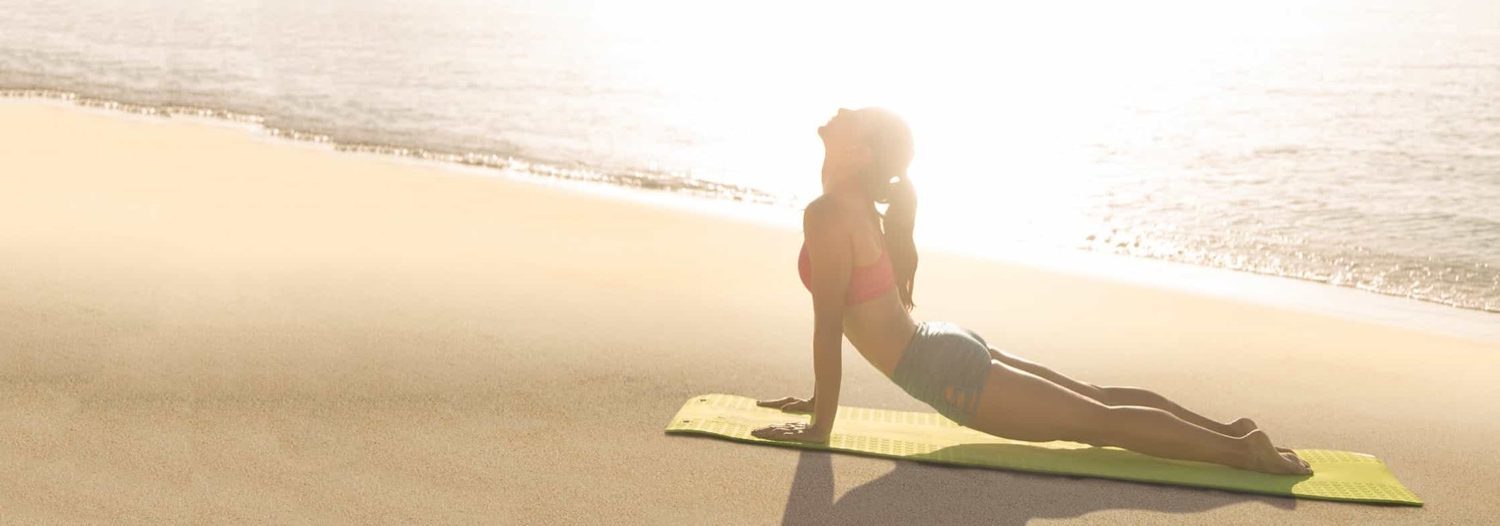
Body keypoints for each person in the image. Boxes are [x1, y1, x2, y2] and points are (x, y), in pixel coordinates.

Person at [749, 107, 1312, 476]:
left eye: (858, 116)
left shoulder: (828, 212)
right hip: (942, 344)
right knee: (1099, 400)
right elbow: (859, 313)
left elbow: (831, 324)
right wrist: (820, 398)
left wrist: (821, 426)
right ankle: (1231, 430)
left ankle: (1242, 451)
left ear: (861, 153)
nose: (845, 110)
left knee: (1099, 424)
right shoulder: (851, 209)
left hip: (944, 368)